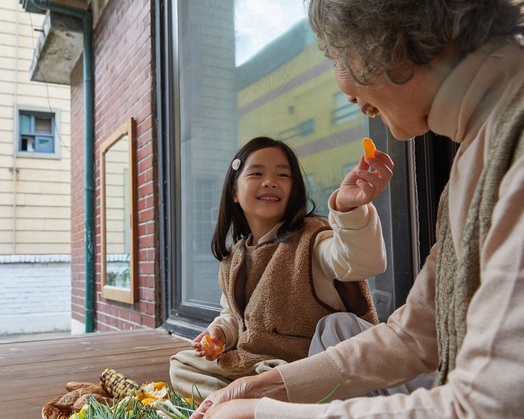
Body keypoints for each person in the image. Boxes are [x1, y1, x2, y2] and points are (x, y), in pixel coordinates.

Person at [190, 0, 524, 417]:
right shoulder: (478, 147)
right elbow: (415, 336)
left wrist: (262, 412)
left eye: (338, 53)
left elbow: (492, 406)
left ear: (388, 43)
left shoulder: (508, 144)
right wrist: (264, 387)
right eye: (255, 175)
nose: (345, 93)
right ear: (233, 194)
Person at [170, 136, 394, 400]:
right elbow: (233, 314)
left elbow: (361, 262)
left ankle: (254, 400)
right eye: (256, 173)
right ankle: (255, 401)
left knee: (277, 374)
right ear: (234, 192)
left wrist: (350, 209)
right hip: (254, 362)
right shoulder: (234, 259)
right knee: (182, 365)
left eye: (282, 175)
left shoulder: (314, 238)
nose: (270, 181)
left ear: (294, 190)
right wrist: (219, 333)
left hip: (304, 366)